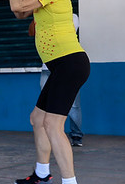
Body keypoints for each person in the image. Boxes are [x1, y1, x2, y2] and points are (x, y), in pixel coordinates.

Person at [8, 0, 89, 184]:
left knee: (53, 125)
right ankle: (42, 176)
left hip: (70, 64)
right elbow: (19, 12)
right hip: (61, 66)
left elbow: (17, 4)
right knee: (37, 118)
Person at [29, 15, 84, 146]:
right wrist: (36, 16)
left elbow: (61, 33)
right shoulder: (41, 16)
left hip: (67, 67)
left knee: (73, 105)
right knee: (45, 105)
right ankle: (51, 134)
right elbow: (32, 32)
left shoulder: (72, 17)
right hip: (47, 68)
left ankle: (76, 135)